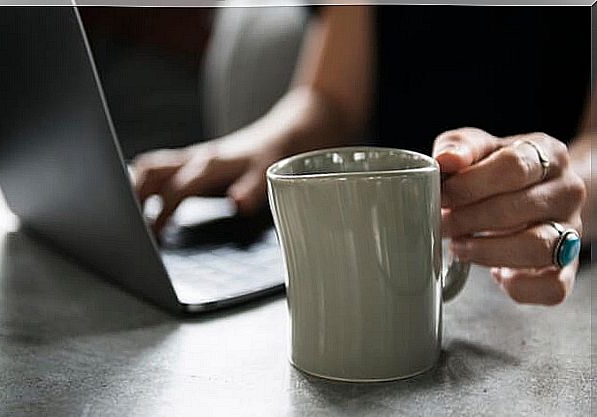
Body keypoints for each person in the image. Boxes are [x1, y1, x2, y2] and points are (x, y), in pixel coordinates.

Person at [132, 6, 593, 306]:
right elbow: (330, 99)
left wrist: (560, 190)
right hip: (381, 252)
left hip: (541, 271)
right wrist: (246, 148)